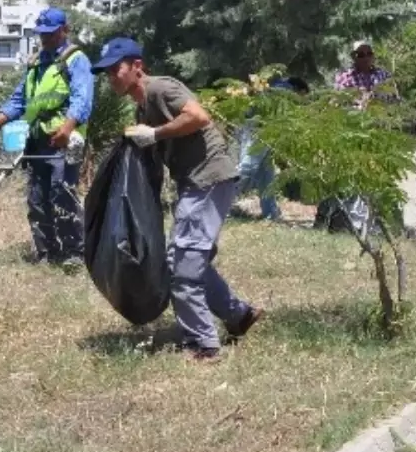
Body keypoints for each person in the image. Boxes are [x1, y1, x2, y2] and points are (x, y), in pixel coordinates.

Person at [92, 37, 263, 362]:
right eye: (107, 73)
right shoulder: (142, 105)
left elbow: (198, 117)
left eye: (116, 69)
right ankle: (239, 315)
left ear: (137, 66)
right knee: (189, 261)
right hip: (196, 182)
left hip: (208, 177)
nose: (111, 77)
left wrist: (155, 134)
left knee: (182, 265)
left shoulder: (160, 88)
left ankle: (203, 345)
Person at [0, 7, 93, 272]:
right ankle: (46, 252)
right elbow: (19, 100)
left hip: (63, 141)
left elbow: (82, 98)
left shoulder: (75, 59)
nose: (46, 39)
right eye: (42, 34)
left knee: (62, 194)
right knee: (37, 198)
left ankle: (75, 252)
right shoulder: (36, 63)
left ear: (64, 30)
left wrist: (68, 126)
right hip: (38, 141)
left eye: (51, 33)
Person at [235, 76, 310, 221]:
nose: (302, 101)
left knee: (267, 174)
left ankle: (270, 212)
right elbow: (280, 118)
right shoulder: (285, 91)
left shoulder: (278, 87)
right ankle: (221, 201)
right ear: (300, 90)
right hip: (259, 130)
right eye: (303, 96)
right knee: (247, 168)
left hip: (259, 128)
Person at [333, 40, 396, 107]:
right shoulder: (344, 78)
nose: (366, 58)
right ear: (353, 57)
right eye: (361, 55)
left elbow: (394, 99)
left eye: (369, 54)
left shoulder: (384, 75)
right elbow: (338, 103)